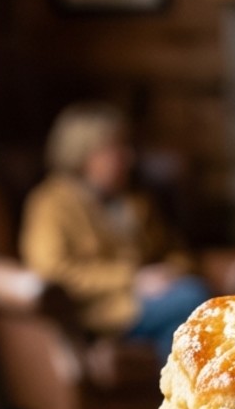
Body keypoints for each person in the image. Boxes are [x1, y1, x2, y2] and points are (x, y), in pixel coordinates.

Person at [19, 102, 209, 362]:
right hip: (103, 310)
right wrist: (134, 279)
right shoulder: (51, 202)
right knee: (194, 300)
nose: (129, 157)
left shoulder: (135, 201)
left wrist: (170, 272)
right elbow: (53, 270)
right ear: (84, 153)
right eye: (115, 149)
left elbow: (174, 250)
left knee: (178, 330)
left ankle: (170, 398)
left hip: (152, 301)